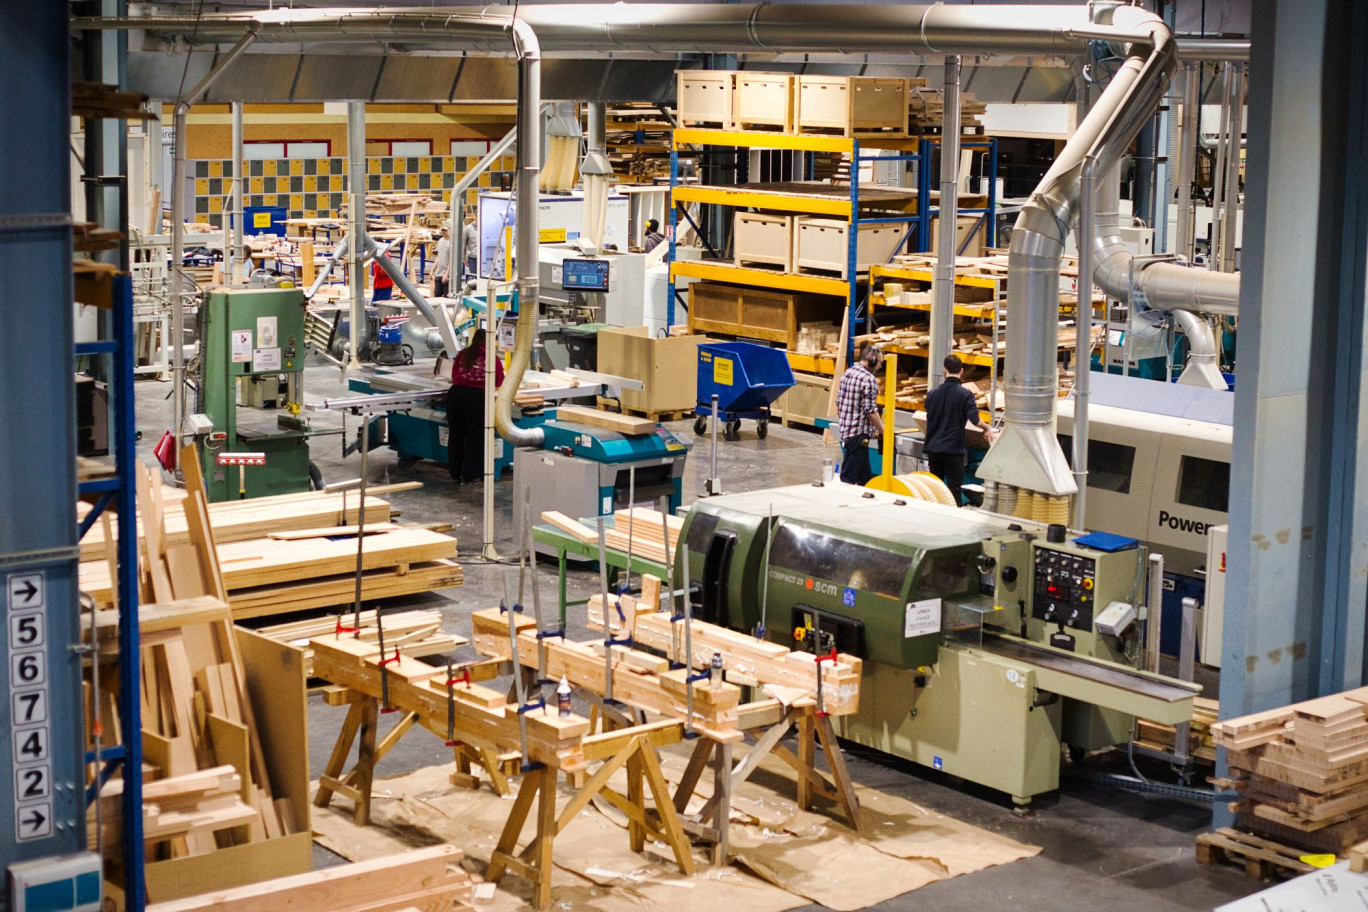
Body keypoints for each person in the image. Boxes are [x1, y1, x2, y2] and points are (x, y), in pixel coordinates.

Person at [923, 353, 998, 506]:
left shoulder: (932, 394)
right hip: (953, 449)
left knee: (935, 490)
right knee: (954, 490)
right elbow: (975, 420)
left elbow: (929, 415)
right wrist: (987, 428)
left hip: (933, 448)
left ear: (945, 370)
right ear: (962, 371)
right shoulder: (965, 394)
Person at [445, 329, 505, 484]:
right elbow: (499, 381)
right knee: (474, 437)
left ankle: (454, 473)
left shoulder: (463, 354)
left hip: (456, 395)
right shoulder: (492, 358)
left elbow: (454, 376)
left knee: (455, 436)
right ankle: (468, 475)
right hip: (478, 398)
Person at [835, 344, 885, 486]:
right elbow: (871, 411)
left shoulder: (848, 373)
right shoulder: (869, 379)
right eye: (880, 362)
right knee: (848, 478)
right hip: (858, 436)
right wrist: (884, 431)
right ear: (872, 360)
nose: (880, 366)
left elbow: (838, 401)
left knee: (865, 479)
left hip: (847, 432)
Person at [431, 224, 452, 298]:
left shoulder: (452, 243)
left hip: (447, 274)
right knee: (437, 295)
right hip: (438, 273)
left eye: (445, 230)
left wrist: (446, 274)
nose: (443, 232)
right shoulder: (440, 241)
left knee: (447, 296)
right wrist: (432, 270)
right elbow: (438, 257)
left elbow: (452, 261)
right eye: (442, 230)